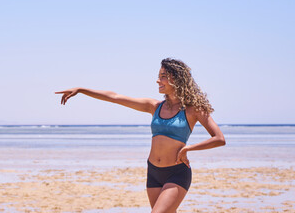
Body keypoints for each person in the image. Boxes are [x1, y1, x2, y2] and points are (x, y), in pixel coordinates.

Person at [55, 58, 226, 213]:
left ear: (176, 78)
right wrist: (81, 89)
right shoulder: (154, 106)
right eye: (159, 76)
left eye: (163, 76)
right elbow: (115, 97)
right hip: (153, 172)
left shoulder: (192, 109)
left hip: (177, 172)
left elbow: (219, 138)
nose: (158, 80)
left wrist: (188, 148)